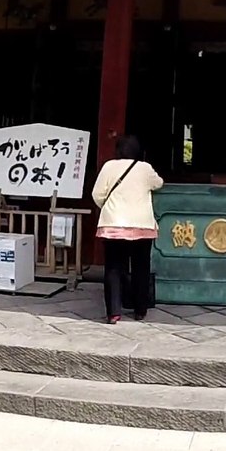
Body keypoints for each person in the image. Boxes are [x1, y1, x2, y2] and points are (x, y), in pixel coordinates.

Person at [91, 135, 163, 323]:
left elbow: (97, 194)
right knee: (141, 267)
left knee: (113, 268)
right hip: (141, 226)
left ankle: (113, 313)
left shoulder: (108, 166)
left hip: (114, 224)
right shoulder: (145, 168)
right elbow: (159, 183)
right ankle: (140, 310)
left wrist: (109, 207)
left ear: (118, 150)